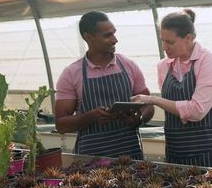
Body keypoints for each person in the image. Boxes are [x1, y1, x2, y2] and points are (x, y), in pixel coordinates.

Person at [131, 9, 212, 169]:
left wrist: (152, 99)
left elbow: (197, 111)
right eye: (162, 41)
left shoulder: (209, 62)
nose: (165, 47)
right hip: (177, 147)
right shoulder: (163, 66)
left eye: (170, 42)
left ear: (188, 38)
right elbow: (172, 105)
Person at [55, 11, 154, 160]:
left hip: (130, 155)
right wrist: (91, 116)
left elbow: (149, 105)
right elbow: (61, 124)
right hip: (91, 160)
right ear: (88, 37)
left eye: (114, 33)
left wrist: (139, 119)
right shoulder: (71, 73)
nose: (115, 40)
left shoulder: (128, 65)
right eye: (107, 35)